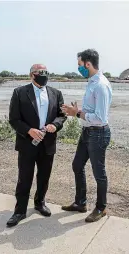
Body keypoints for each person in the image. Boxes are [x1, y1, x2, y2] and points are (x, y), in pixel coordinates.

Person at [7, 64, 67, 227]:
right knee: (24, 178)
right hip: (27, 142)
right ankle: (20, 211)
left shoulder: (56, 93)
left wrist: (55, 125)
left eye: (46, 72)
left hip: (47, 142)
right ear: (31, 75)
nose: (44, 75)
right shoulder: (19, 92)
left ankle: (40, 203)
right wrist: (29, 131)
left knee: (44, 176)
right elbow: (13, 119)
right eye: (40, 73)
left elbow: (61, 116)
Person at [61, 49, 112, 223]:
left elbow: (100, 118)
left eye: (79, 65)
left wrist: (77, 114)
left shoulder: (100, 85)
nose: (79, 68)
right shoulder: (91, 82)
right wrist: (75, 112)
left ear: (88, 64)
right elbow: (91, 112)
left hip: (98, 133)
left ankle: (100, 207)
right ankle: (80, 203)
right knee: (77, 165)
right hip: (87, 132)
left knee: (99, 173)